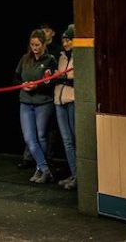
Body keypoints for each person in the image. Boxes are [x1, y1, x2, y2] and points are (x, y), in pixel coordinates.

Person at [15, 29, 58, 184]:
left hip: (43, 103)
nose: (35, 48)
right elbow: (16, 77)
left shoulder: (50, 60)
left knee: (41, 136)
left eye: (38, 45)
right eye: (32, 44)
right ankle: (45, 169)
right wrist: (23, 85)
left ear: (44, 44)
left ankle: (41, 169)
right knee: (29, 138)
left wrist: (36, 87)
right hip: (26, 102)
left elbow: (51, 82)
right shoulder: (25, 59)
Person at [55, 25, 77, 190]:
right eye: (64, 40)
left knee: (75, 139)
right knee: (66, 140)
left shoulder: (79, 57)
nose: (66, 43)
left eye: (69, 39)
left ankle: (79, 176)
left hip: (72, 99)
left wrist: (64, 79)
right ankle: (73, 173)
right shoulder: (61, 57)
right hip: (59, 100)